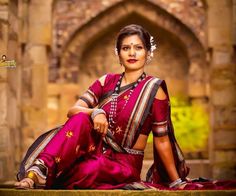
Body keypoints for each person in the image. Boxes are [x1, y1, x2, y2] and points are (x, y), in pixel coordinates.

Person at [15, 24, 235, 190]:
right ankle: (37, 173)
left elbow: (161, 139)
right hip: (96, 151)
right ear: (118, 53)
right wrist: (96, 112)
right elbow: (73, 112)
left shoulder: (154, 89)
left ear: (148, 53)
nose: (132, 53)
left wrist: (176, 181)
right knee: (82, 119)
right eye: (126, 48)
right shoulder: (105, 82)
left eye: (138, 48)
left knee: (87, 170)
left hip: (123, 163)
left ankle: (48, 175)